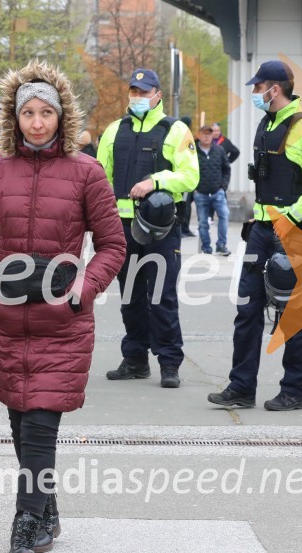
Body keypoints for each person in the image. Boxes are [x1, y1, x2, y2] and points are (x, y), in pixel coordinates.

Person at [0, 59, 126, 553]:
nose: (37, 122)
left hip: (61, 321)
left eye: (46, 113)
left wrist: (83, 290)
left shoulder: (86, 172)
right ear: (14, 118)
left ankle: (25, 522)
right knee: (19, 420)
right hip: (5, 319)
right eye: (28, 113)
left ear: (61, 116)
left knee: (39, 425)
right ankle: (47, 511)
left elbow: (113, 245)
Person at [207, 60, 302, 411]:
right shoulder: (268, 123)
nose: (254, 93)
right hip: (263, 230)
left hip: (295, 232)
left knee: (295, 313)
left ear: (274, 89)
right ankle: (241, 387)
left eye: (257, 87)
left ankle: (295, 391)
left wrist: (292, 215)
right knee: (247, 309)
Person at [98, 68, 200, 388]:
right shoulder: (114, 130)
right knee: (130, 297)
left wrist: (156, 181)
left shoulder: (175, 130)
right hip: (122, 226)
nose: (138, 97)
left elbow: (190, 176)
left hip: (161, 228)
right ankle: (135, 359)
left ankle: (169, 363)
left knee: (161, 296)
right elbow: (100, 179)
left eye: (144, 92)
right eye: (134, 91)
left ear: (158, 95)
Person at [194, 124, 231, 255]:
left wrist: (223, 187)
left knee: (224, 215)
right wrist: (195, 188)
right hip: (201, 193)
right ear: (199, 135)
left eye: (209, 134)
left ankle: (221, 245)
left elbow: (226, 169)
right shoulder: (193, 152)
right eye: (204, 134)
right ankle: (206, 248)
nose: (207, 136)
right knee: (203, 223)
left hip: (218, 192)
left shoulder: (219, 150)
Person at [178, 116, 196, 238]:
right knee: (185, 204)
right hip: (185, 177)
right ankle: (183, 228)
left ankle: (183, 228)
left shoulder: (178, 134)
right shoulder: (186, 137)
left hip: (181, 177)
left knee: (184, 204)